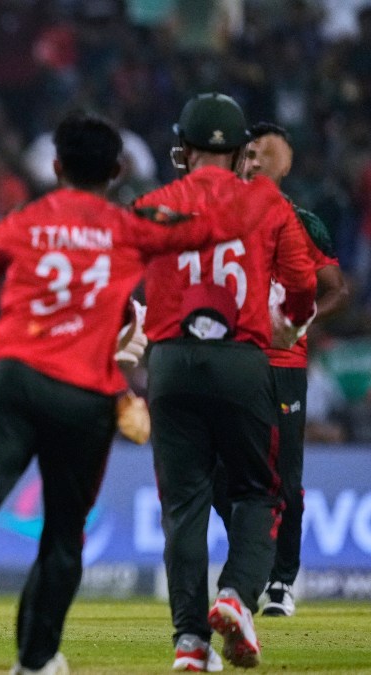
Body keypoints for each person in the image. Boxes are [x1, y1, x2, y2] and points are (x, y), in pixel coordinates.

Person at [0, 111, 268, 675]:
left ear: (56, 167)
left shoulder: (23, 222)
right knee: (62, 536)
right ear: (114, 171)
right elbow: (207, 229)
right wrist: (259, 193)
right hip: (84, 395)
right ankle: (36, 659)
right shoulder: (128, 227)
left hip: (13, 377)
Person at [134, 94, 317, 670]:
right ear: (241, 153)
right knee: (260, 493)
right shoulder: (268, 202)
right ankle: (237, 594)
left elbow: (118, 275)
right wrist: (287, 324)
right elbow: (303, 285)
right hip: (242, 359)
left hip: (170, 364)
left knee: (184, 508)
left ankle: (190, 643)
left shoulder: (155, 202)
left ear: (184, 151)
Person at [229, 122, 348, 617]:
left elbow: (335, 287)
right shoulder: (221, 217)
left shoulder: (302, 222)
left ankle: (281, 582)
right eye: (248, 152)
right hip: (231, 362)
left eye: (264, 152)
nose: (254, 162)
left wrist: (300, 326)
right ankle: (249, 574)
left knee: (285, 477)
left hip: (283, 366)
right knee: (227, 477)